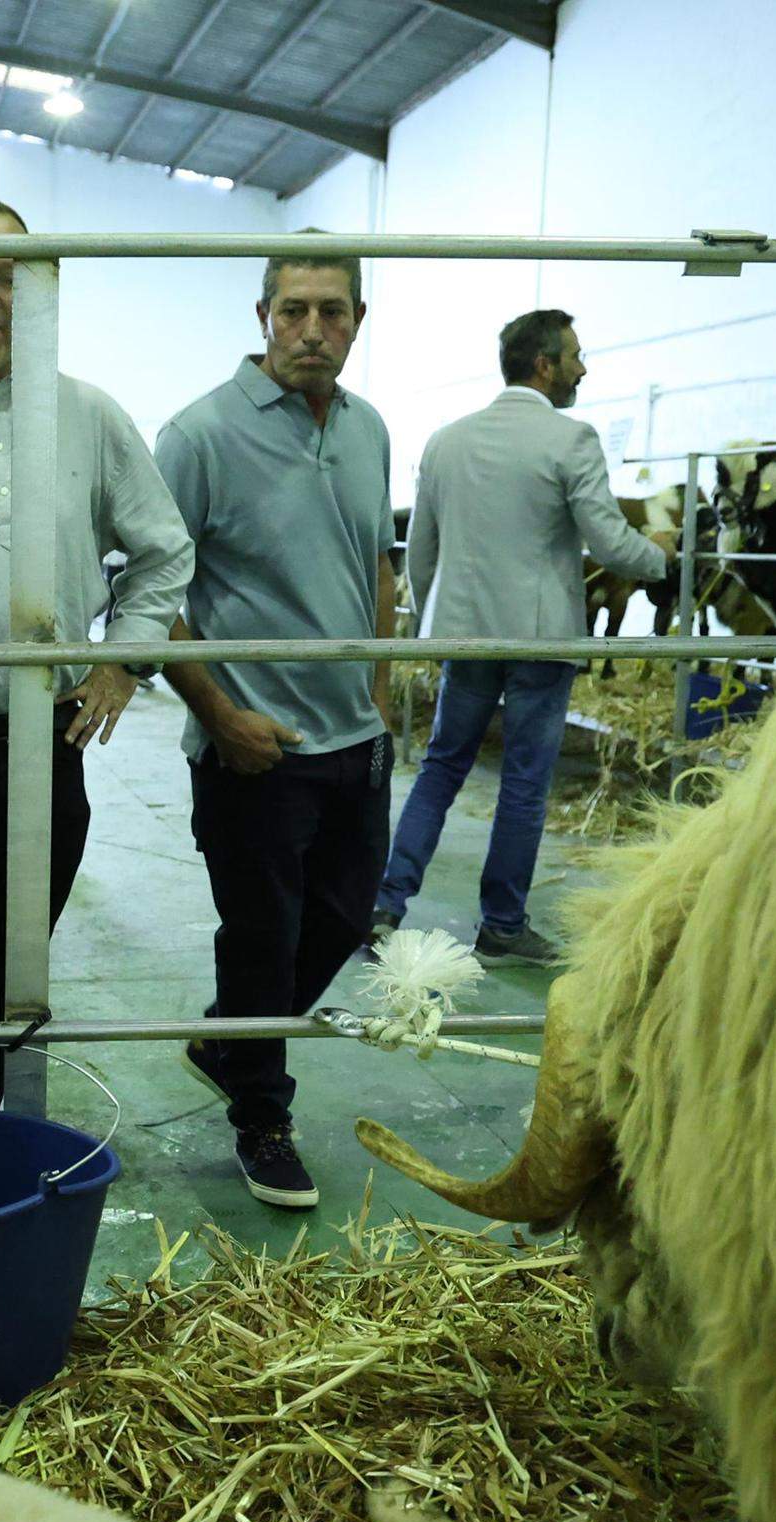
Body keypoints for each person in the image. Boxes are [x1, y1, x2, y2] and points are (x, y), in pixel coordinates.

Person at [0, 196, 193, 1110]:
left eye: (11, 277)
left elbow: (164, 550)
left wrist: (121, 663)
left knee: (5, 995)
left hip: (43, 755)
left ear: (44, 292)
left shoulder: (87, 415)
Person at [154, 242, 399, 1212]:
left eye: (331, 312)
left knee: (341, 920)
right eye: (293, 310)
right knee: (262, 938)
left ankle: (227, 1042)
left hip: (355, 742)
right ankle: (262, 1113)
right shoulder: (200, 435)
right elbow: (151, 593)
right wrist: (219, 712)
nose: (311, 330)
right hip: (254, 748)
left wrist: (378, 692)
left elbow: (377, 564)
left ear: (356, 321)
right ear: (261, 316)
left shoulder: (369, 427)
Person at [374, 309, 676, 966]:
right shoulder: (571, 439)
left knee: (441, 767)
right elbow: (606, 538)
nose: (583, 367)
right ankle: (502, 925)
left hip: (462, 636)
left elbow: (421, 551)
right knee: (524, 782)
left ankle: (385, 904)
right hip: (540, 640)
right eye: (574, 355)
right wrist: (662, 557)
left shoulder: (446, 441)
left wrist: (437, 623)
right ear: (544, 364)